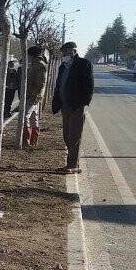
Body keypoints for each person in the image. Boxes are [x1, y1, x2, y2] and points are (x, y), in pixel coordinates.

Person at [51, 42, 94, 174]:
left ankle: (72, 164)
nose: (66, 55)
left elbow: (89, 84)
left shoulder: (83, 64)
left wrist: (83, 102)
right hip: (64, 105)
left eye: (68, 52)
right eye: (64, 53)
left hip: (76, 106)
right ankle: (71, 162)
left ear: (74, 51)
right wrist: (56, 103)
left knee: (74, 136)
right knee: (66, 135)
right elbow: (59, 85)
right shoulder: (63, 67)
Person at [23, 46, 49, 147]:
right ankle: (33, 142)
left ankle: (26, 141)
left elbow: (41, 83)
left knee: (25, 116)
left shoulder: (38, 65)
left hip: (33, 96)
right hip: (34, 95)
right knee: (34, 118)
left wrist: (33, 95)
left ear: (32, 55)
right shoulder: (36, 64)